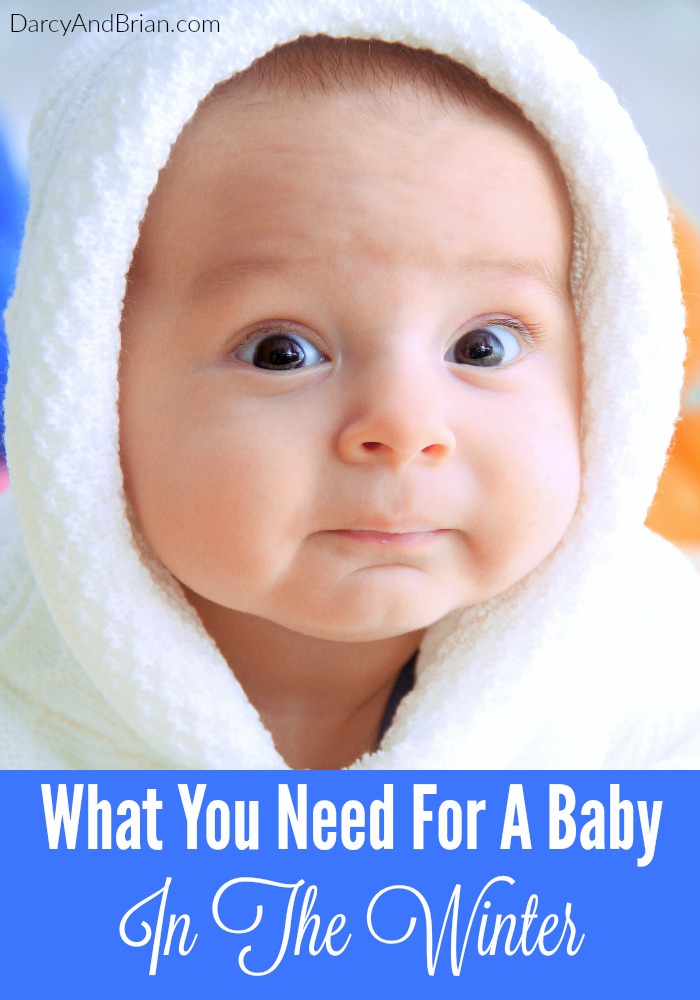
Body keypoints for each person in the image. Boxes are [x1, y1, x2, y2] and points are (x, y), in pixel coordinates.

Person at [1, 0, 698, 769]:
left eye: (482, 346)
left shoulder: (658, 676)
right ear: (88, 381)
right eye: (281, 352)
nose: (404, 426)